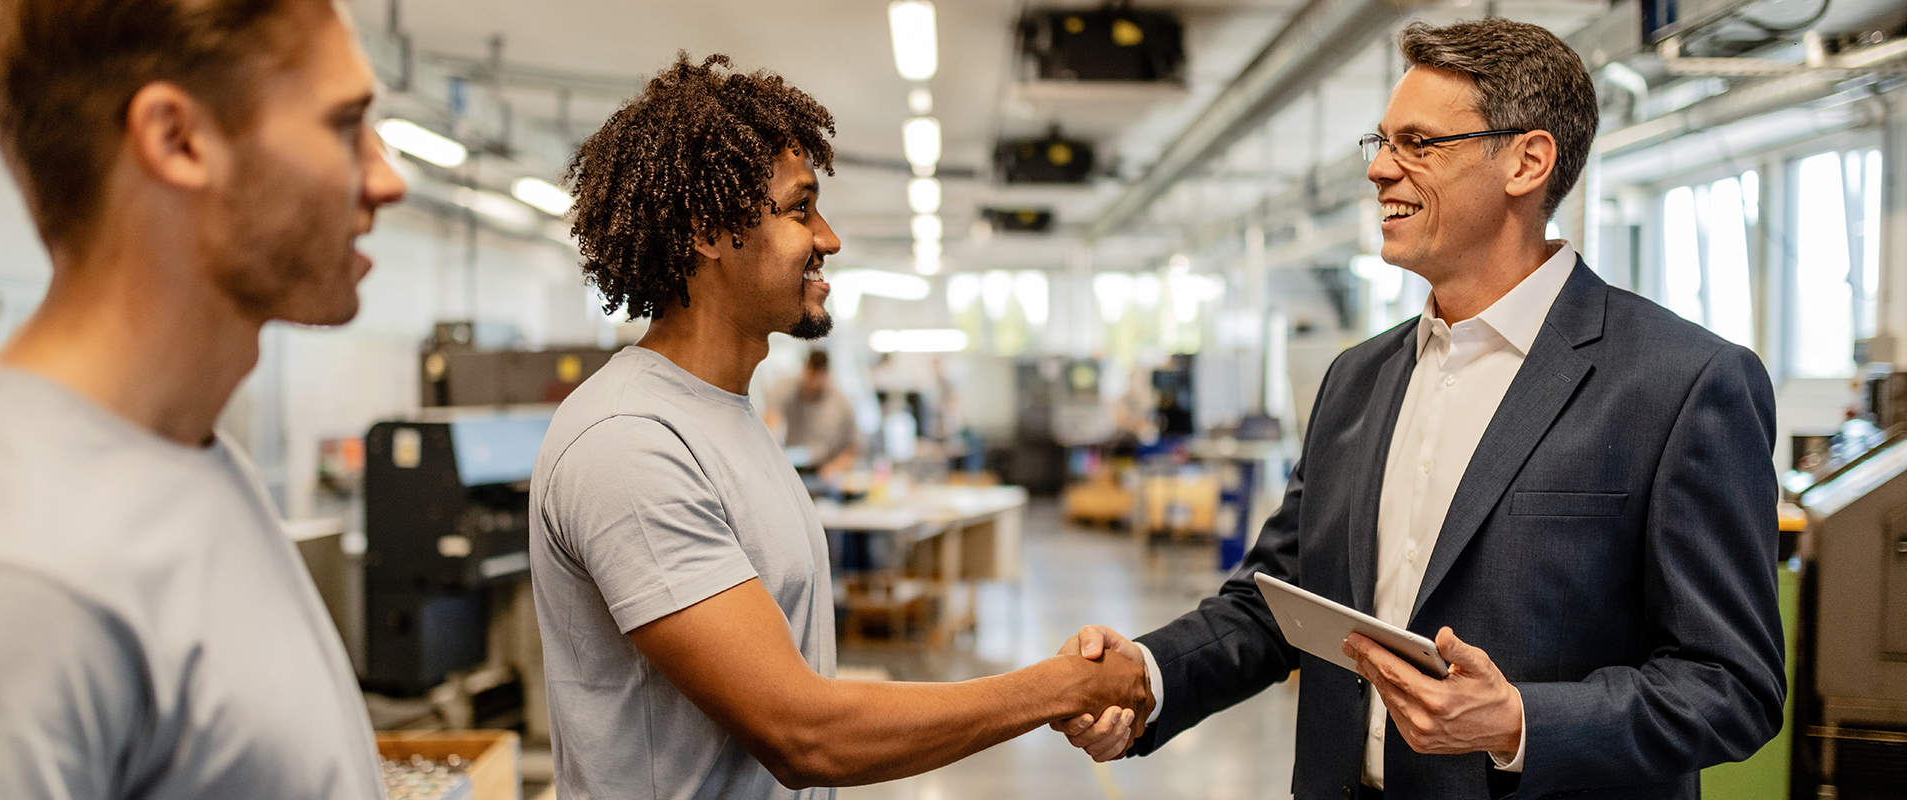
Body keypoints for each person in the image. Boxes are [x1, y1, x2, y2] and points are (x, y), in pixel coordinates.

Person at [1056, 18, 1784, 800]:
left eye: (1419, 144)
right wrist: (1148, 674)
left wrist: (1518, 722)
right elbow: (1280, 601)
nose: (1379, 171)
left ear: (1527, 161)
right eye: (1381, 142)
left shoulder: (1681, 383)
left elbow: (1731, 684)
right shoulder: (1357, 380)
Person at [528, 54, 1148, 800]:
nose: (829, 238)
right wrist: (1058, 688)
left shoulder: (726, 414)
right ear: (707, 230)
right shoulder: (629, 441)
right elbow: (803, 733)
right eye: (799, 209)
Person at [0, 0, 406, 796]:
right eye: (345, 125)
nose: (388, 178)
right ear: (178, 139)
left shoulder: (187, 455)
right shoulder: (5, 581)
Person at [764, 349, 862, 479]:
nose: (813, 386)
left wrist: (833, 469)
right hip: (792, 466)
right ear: (805, 370)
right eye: (810, 380)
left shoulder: (841, 403)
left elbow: (853, 449)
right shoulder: (784, 388)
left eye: (818, 382)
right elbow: (771, 421)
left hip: (825, 470)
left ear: (827, 375)